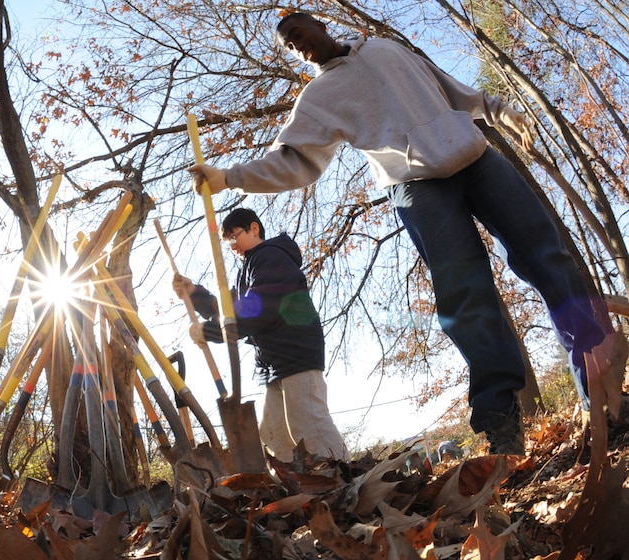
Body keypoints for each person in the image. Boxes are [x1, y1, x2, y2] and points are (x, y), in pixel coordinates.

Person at [188, 12, 618, 455]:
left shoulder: (386, 49)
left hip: (477, 160)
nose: (297, 47)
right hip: (415, 186)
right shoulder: (319, 97)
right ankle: (501, 425)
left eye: (297, 35)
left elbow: (447, 87)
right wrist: (228, 177)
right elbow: (293, 160)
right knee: (465, 295)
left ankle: (603, 392)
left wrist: (496, 109)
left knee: (549, 259)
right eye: (289, 48)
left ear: (318, 25)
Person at [172, 207, 350, 463]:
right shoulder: (251, 268)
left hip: (295, 353)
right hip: (275, 362)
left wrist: (209, 330)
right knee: (275, 432)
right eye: (227, 242)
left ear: (254, 228)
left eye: (234, 237)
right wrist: (193, 293)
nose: (232, 246)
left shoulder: (271, 257)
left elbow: (260, 307)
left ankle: (346, 480)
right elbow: (230, 306)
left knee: (308, 424)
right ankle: (299, 488)